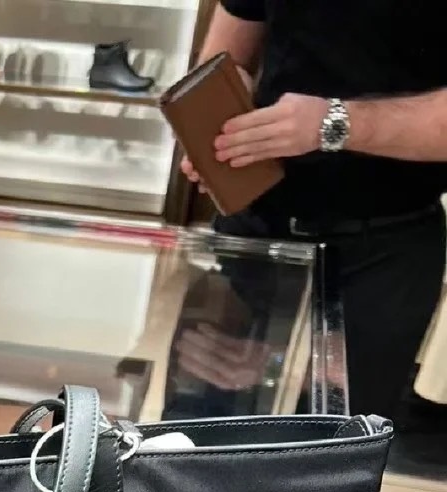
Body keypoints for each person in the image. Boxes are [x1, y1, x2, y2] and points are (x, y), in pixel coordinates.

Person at [181, 0, 447, 424]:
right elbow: (226, 57)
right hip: (254, 226)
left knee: (337, 444)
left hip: (386, 247)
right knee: (193, 432)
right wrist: (214, 126)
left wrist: (335, 123)